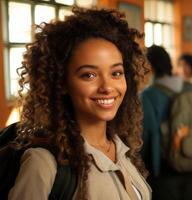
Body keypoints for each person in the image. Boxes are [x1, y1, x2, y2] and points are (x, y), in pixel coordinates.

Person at [8, 8, 151, 199]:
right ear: (63, 83)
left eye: (116, 73)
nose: (107, 87)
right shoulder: (44, 163)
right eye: (89, 75)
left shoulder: (121, 147)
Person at [140, 45, 192, 200]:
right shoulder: (191, 88)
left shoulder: (148, 96)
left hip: (165, 165)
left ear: (149, 67)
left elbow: (147, 134)